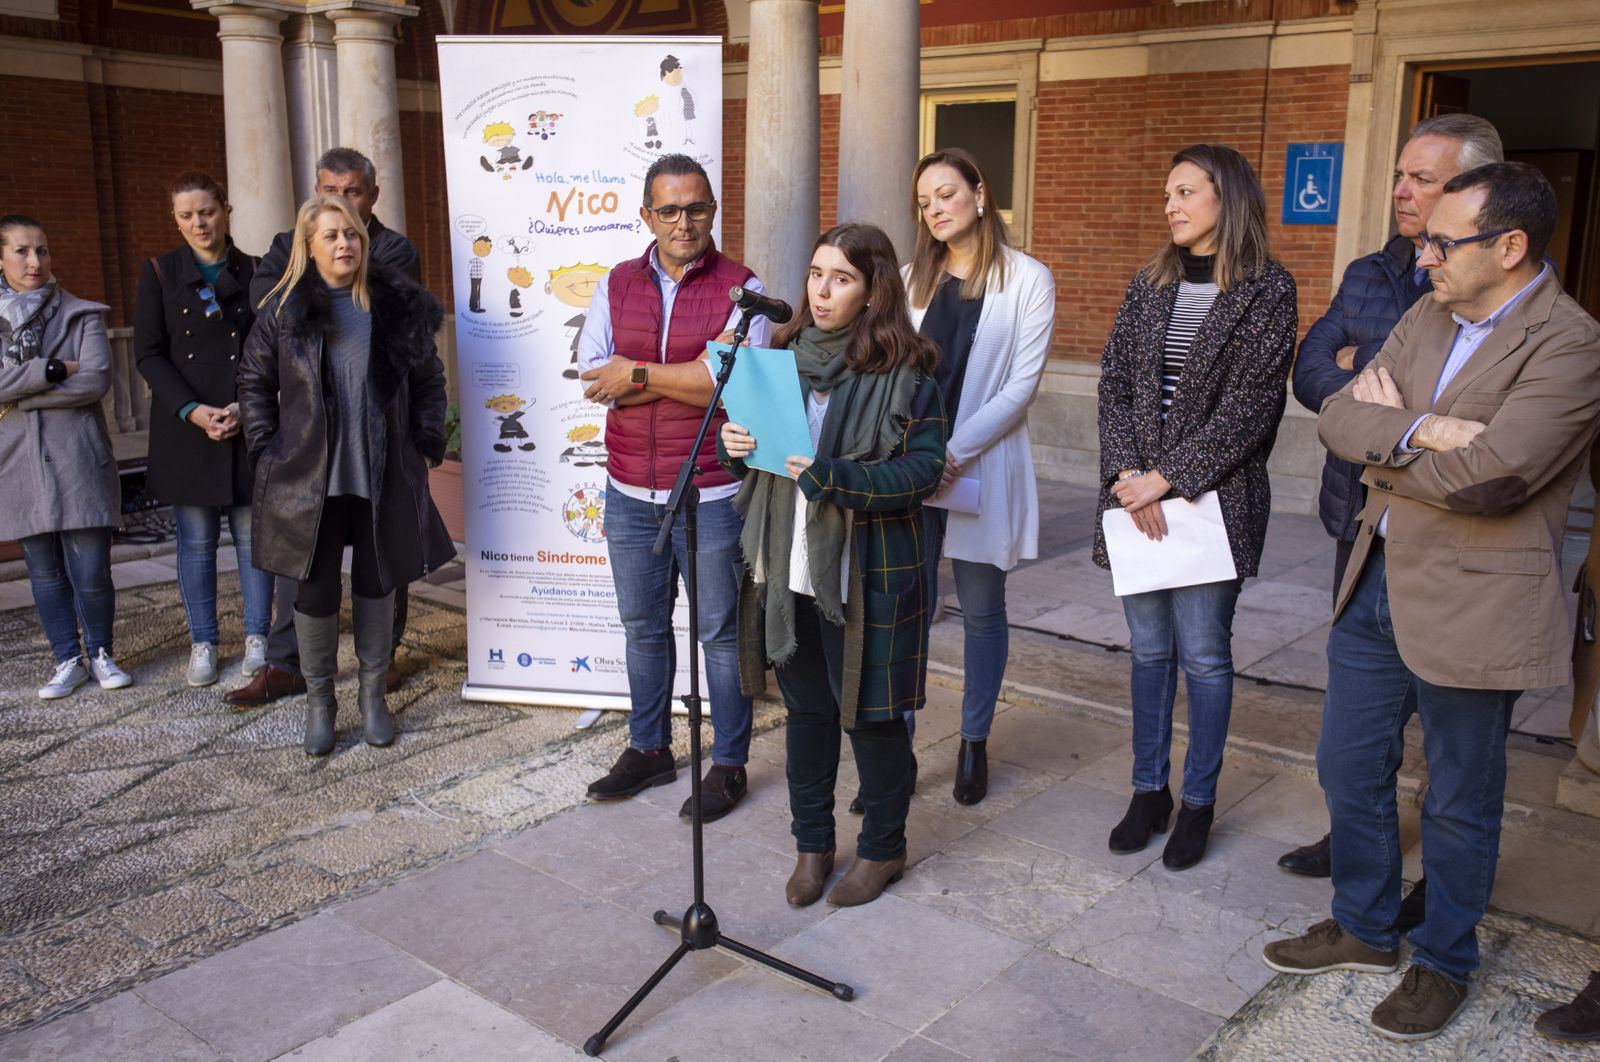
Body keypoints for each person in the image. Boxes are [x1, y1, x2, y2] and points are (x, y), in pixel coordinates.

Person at [1263, 162, 1600, 1042]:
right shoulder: (1427, 314)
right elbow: (1337, 417)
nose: (1423, 258)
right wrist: (1425, 430)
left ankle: (1445, 961)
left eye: (1443, 243)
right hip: (1374, 576)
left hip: (1477, 601)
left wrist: (1387, 444)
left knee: (1458, 796)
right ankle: (1366, 928)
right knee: (1348, 767)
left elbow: (1495, 478)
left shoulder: (1572, 343)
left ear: (1511, 246)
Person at [1278, 114, 1504, 893]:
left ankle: (1442, 877)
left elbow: (1454, 399)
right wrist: (1367, 382)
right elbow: (1312, 371)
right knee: (1360, 706)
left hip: (1449, 536)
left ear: (1474, 194)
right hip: (1358, 519)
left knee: (1448, 718)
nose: (1402, 191)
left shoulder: (1505, 295)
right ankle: (1354, 837)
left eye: (1423, 179)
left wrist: (1370, 370)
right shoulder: (1370, 271)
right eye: (1400, 174)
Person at [719, 222, 945, 908]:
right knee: (807, 712)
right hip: (786, 564)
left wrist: (837, 477)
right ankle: (812, 845)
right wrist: (736, 446)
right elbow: (765, 459)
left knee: (870, 719)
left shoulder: (910, 374)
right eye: (816, 274)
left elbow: (923, 472)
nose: (821, 291)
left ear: (873, 291)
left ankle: (883, 848)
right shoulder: (779, 360)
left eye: (841, 278)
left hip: (864, 572)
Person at [1095, 144, 1298, 871]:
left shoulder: (1268, 289)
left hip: (1216, 501)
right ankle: (1149, 790)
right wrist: (1129, 473)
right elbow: (1115, 382)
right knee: (1150, 651)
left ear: (1227, 197)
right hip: (1136, 499)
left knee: (1206, 656)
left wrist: (1168, 478)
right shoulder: (1151, 282)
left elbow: (1252, 407)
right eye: (1167, 193)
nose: (1171, 205)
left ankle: (1200, 802)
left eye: (1185, 191)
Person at [576, 153, 770, 822]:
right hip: (630, 490)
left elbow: (726, 383)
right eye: (669, 210)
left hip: (712, 495)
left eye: (696, 209)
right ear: (646, 215)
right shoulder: (617, 282)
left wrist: (635, 374)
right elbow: (592, 373)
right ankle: (649, 749)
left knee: (720, 634)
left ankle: (730, 764)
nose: (684, 223)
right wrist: (678, 377)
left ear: (713, 210)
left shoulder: (744, 289)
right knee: (643, 628)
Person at [237, 195, 454, 755]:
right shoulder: (284, 310)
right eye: (331, 235)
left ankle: (372, 696)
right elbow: (254, 383)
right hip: (310, 481)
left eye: (352, 234)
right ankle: (320, 703)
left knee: (378, 585)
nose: (344, 244)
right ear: (308, 246)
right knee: (313, 593)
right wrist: (267, 450)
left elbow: (429, 381)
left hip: (381, 475)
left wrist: (424, 443)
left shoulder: (394, 307)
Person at [904, 147, 1057, 806]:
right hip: (910, 471)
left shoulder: (1028, 278)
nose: (936, 209)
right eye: (924, 202)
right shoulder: (911, 280)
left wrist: (953, 453)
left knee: (982, 610)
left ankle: (973, 742)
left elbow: (1021, 387)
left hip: (979, 464)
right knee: (906, 614)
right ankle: (896, 753)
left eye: (946, 194)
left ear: (979, 191)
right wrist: (917, 458)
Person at [134, 171, 272, 687]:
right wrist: (192, 410)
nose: (199, 223)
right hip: (186, 427)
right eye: (186, 215)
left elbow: (270, 347)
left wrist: (244, 406)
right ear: (175, 219)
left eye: (207, 211)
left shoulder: (256, 268)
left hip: (245, 421)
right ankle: (204, 642)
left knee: (252, 539)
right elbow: (148, 353)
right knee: (195, 543)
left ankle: (258, 637)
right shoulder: (159, 272)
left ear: (225, 210)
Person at [0, 214, 134, 698]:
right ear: (1, 258)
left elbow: (94, 381)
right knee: (44, 571)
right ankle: (67, 659)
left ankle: (101, 653)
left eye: (42, 250)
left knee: (92, 571)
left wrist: (20, 396)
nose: (35, 261)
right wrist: (53, 369)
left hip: (79, 458)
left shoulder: (82, 315)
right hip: (18, 460)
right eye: (21, 251)